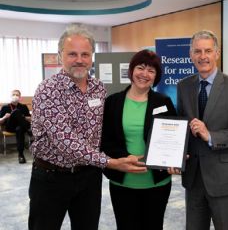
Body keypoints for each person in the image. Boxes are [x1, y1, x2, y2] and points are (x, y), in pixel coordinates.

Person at [28, 24, 146, 230]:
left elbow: (103, 131)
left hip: (89, 177)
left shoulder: (98, 88)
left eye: (85, 54)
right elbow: (65, 141)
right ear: (60, 56)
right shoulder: (48, 90)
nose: (79, 60)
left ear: (92, 56)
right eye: (72, 54)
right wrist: (110, 162)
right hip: (51, 177)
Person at [175, 30, 228, 229]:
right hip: (193, 178)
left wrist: (211, 136)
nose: (203, 56)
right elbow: (181, 127)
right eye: (197, 51)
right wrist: (175, 154)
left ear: (217, 54)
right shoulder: (183, 86)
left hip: (224, 178)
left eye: (208, 51)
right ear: (191, 55)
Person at [101, 49, 177, 230]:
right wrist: (126, 158)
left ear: (156, 76)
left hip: (156, 181)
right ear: (132, 70)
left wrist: (176, 158)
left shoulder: (163, 102)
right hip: (123, 180)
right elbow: (105, 140)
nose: (145, 74)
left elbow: (174, 136)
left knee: (153, 226)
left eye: (151, 71)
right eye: (140, 68)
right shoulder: (113, 102)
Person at [0, 89, 32, 163]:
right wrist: (5, 117)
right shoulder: (5, 107)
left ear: (20, 97)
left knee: (19, 129)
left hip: (21, 127)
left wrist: (22, 117)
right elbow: (0, 121)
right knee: (16, 111)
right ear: (11, 96)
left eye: (17, 95)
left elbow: (30, 119)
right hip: (10, 127)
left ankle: (21, 155)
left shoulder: (23, 107)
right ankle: (29, 131)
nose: (15, 96)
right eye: (13, 95)